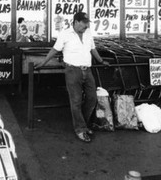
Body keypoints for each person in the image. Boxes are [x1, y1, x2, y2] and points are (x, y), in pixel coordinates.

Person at [35, 12, 109, 143]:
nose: (86, 25)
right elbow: (55, 50)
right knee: (76, 101)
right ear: (75, 21)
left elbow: (93, 49)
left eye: (87, 23)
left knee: (92, 98)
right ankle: (80, 129)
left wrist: (101, 61)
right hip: (72, 71)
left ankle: (83, 125)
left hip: (88, 70)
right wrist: (43, 62)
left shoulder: (88, 33)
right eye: (83, 23)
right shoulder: (65, 34)